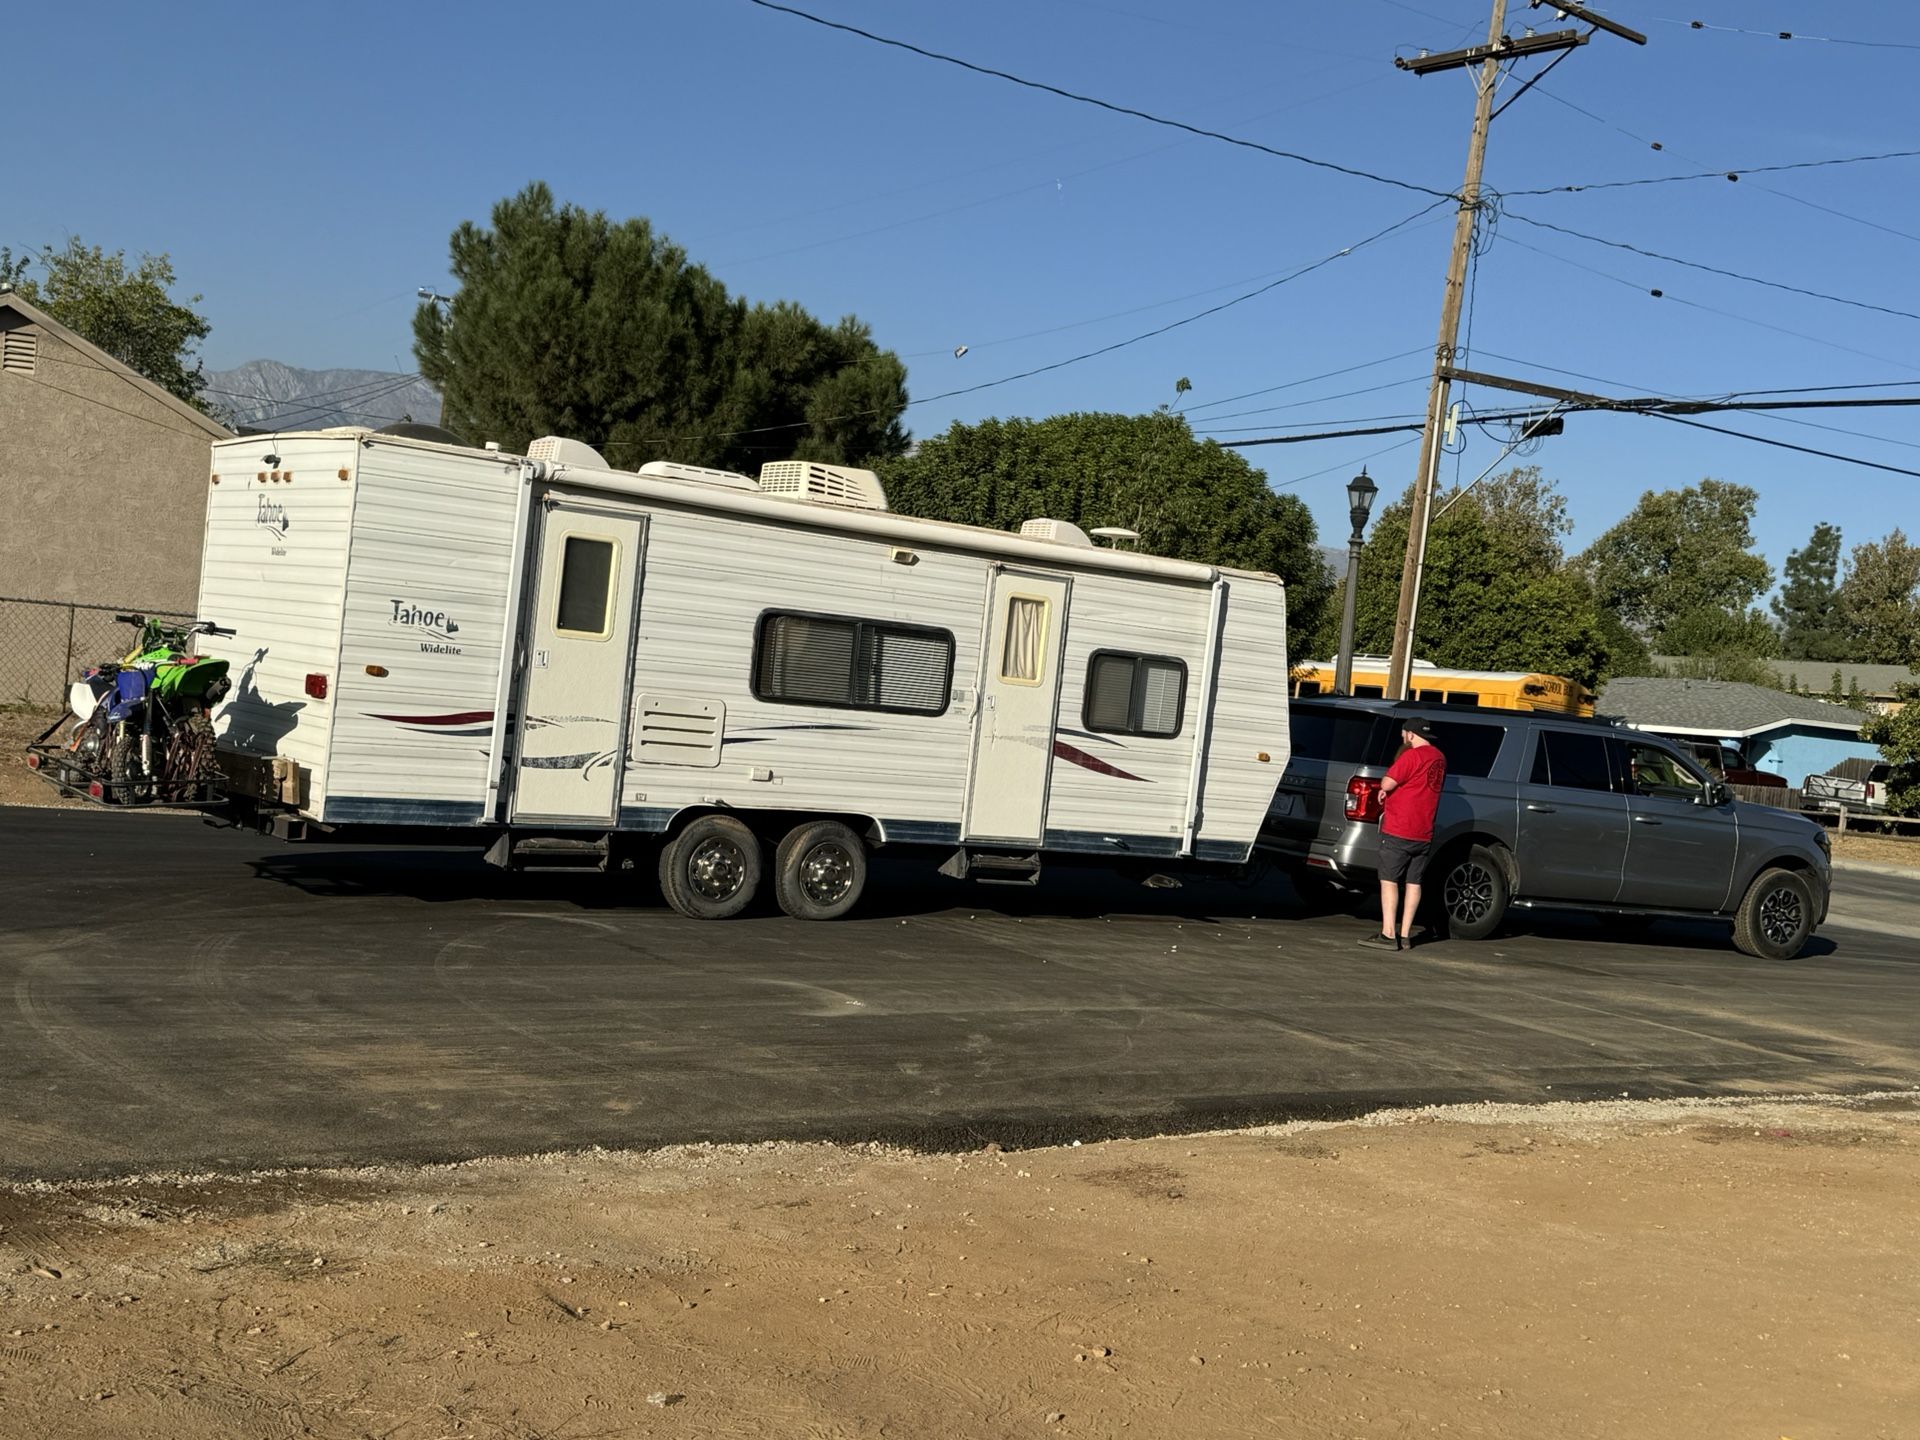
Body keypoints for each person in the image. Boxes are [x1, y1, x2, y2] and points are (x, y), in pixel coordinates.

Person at [1359, 718, 1447, 952]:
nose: (1403, 738)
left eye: (1403, 734)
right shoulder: (1439, 758)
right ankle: (1406, 935)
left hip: (1400, 828)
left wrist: (1383, 790)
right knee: (1413, 882)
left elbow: (1388, 783)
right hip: (1424, 830)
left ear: (1410, 734)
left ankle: (1388, 934)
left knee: (1389, 880)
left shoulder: (1412, 756)